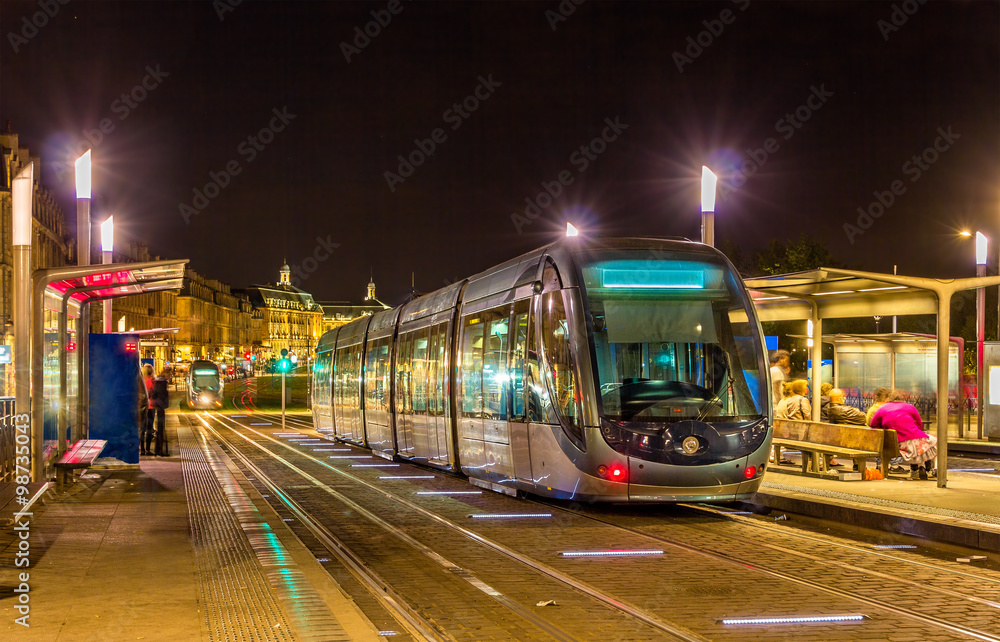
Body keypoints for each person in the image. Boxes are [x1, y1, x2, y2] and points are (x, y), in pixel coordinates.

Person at [870, 392, 937, 480]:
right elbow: (919, 424)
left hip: (896, 443)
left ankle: (916, 470)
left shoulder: (882, 408)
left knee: (916, 446)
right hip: (912, 440)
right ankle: (929, 468)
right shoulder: (909, 407)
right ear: (902, 399)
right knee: (934, 442)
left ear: (889, 399)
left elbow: (872, 424)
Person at [150, 367, 171, 456]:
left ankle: (158, 450)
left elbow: (155, 393)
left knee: (160, 428)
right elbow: (159, 394)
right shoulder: (162, 382)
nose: (170, 376)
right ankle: (159, 450)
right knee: (160, 428)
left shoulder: (159, 381)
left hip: (159, 405)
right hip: (160, 406)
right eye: (169, 374)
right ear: (165, 373)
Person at [141, 364, 156, 456]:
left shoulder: (141, 381)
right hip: (151, 407)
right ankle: (148, 450)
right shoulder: (153, 381)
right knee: (149, 428)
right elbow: (155, 393)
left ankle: (142, 450)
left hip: (142, 407)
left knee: (142, 429)